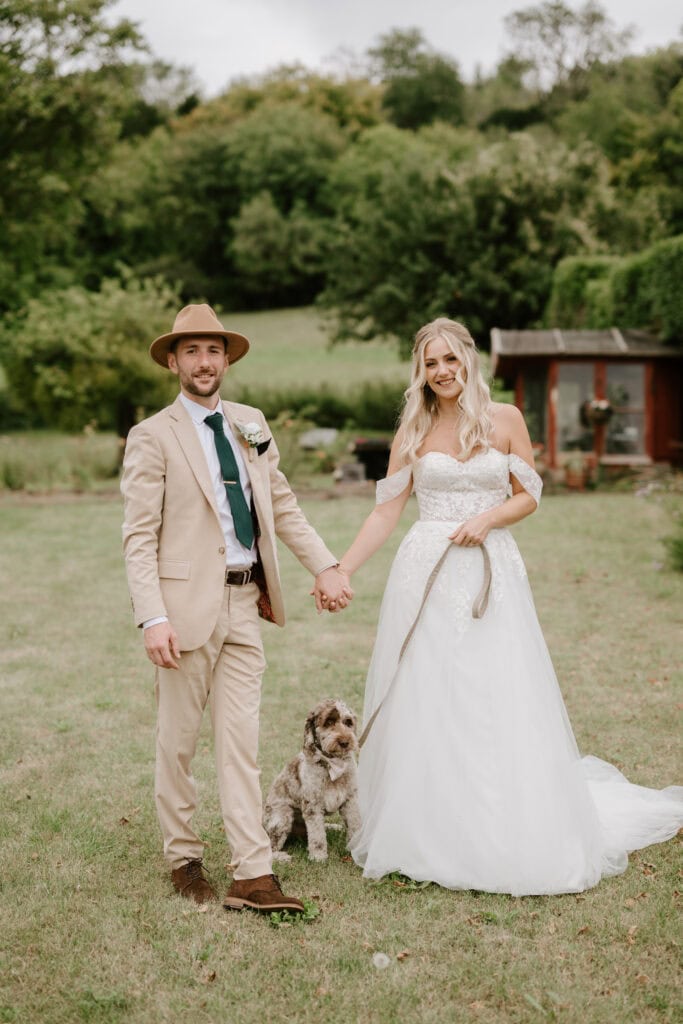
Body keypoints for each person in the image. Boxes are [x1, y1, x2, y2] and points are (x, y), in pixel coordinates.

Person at [338, 317, 683, 895]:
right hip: (425, 568)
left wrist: (488, 518)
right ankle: (427, 825)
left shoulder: (505, 420)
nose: (442, 372)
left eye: (450, 359)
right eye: (430, 363)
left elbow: (530, 494)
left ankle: (504, 818)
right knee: (429, 690)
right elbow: (385, 512)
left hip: (491, 569)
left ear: (469, 360)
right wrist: (342, 568)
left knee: (493, 688)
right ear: (419, 372)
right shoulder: (413, 428)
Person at [121, 303, 352, 913]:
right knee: (178, 742)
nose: (204, 362)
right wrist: (153, 616)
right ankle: (184, 857)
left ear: (227, 359)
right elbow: (139, 537)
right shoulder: (152, 435)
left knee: (241, 741)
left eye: (214, 350)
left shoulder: (251, 423)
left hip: (247, 601)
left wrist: (325, 565)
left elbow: (282, 504)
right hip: (183, 607)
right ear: (173, 360)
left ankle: (252, 874)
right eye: (191, 351)